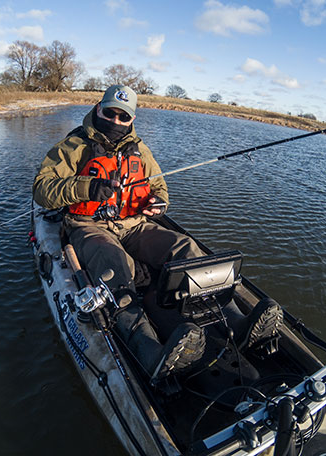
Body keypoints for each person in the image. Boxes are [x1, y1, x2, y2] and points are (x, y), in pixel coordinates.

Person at [33, 85, 206, 385]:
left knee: (185, 247)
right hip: (89, 226)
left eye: (122, 116)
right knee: (115, 264)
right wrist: (86, 188)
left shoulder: (141, 150)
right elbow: (42, 190)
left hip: (134, 224)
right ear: (98, 108)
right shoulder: (74, 146)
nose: (115, 120)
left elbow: (160, 188)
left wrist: (159, 203)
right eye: (110, 112)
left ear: (131, 119)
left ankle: (232, 318)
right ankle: (148, 349)